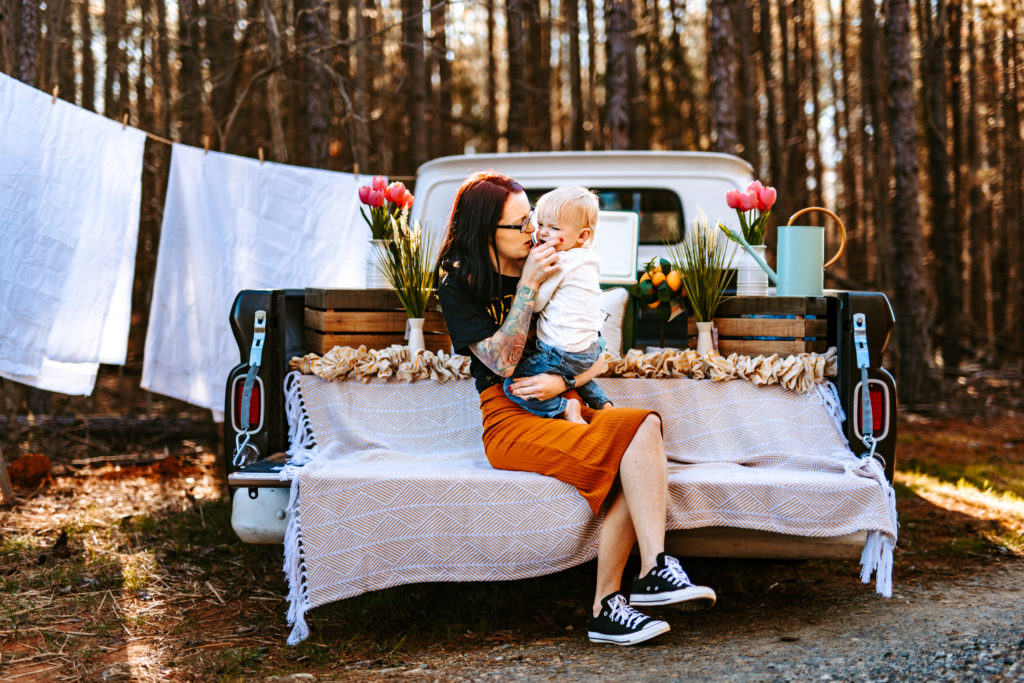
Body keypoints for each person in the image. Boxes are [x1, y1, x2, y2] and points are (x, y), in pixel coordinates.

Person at [436, 171, 716, 646]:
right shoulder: (459, 280)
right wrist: (528, 286)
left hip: (564, 398)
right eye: (521, 225)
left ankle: (652, 573)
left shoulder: (564, 263)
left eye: (533, 219)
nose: (534, 231)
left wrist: (563, 379)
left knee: (644, 430)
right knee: (635, 439)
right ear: (488, 233)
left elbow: (595, 351)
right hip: (508, 419)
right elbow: (502, 362)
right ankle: (609, 606)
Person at [501, 186, 612, 424]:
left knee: (514, 384)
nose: (541, 233)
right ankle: (604, 404)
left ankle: (565, 407)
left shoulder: (558, 261)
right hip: (589, 349)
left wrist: (528, 278)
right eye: (540, 224)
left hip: (561, 352)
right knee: (572, 371)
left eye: (554, 228)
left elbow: (538, 304)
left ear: (582, 235)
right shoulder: (590, 259)